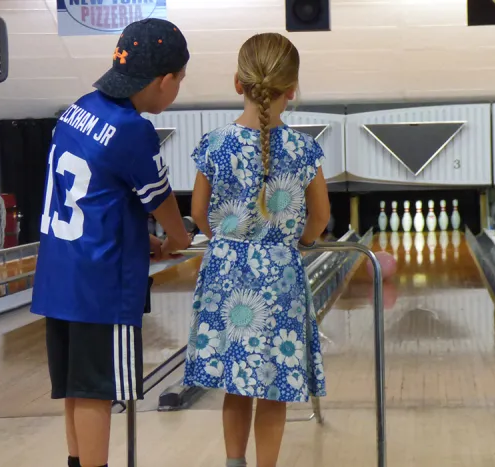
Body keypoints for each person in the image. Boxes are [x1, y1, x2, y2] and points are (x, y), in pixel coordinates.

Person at [30, 18, 193, 467]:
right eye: (179, 80)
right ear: (163, 82)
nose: (178, 88)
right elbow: (165, 211)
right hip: (103, 286)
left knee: (76, 389)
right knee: (99, 393)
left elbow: (98, 201)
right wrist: (178, 240)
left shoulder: (77, 109)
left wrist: (144, 240)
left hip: (60, 276)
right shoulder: (133, 129)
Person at [184, 33, 331, 467]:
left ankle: (234, 463)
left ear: (237, 83)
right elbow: (319, 218)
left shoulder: (214, 143)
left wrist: (227, 241)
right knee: (274, 383)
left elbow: (198, 212)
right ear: (292, 89)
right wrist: (298, 242)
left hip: (226, 274)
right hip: (280, 275)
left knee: (236, 381)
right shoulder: (304, 149)